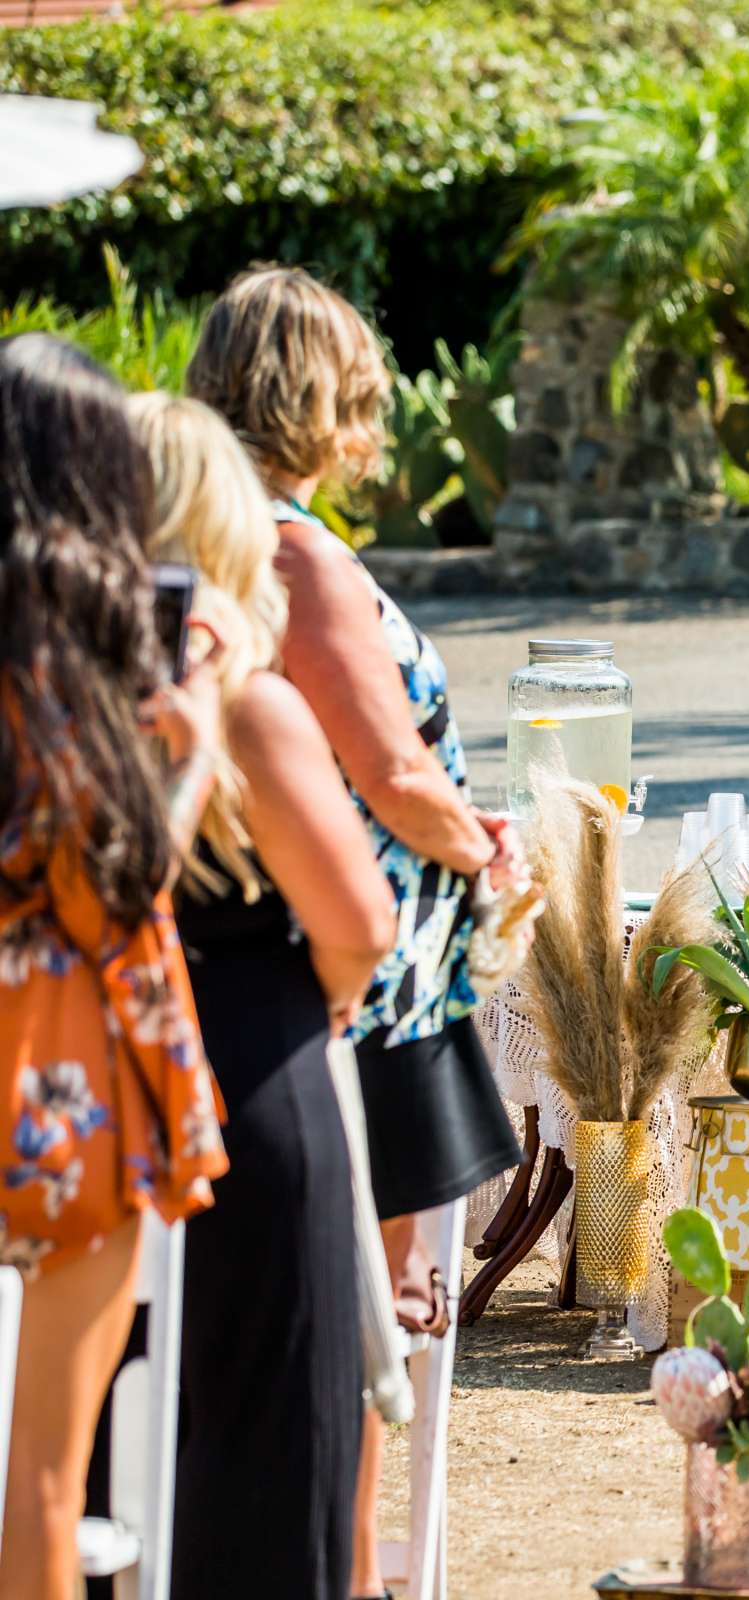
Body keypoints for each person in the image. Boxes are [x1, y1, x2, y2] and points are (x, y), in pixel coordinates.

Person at [183, 266, 524, 1600]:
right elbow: (386, 769)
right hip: (374, 985)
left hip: (335, 960)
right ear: (321, 399)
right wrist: (485, 841)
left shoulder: (210, 532)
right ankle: (358, 1575)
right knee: (367, 1332)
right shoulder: (293, 550)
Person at [129, 393, 398, 1600]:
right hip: (253, 1074)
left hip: (106, 1077)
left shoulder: (53, 694)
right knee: (271, 1452)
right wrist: (314, 1004)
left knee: (120, 1465)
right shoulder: (245, 701)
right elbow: (360, 927)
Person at [0, 335, 228, 1600]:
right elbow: (118, 884)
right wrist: (190, 753)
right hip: (63, 1090)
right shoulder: (76, 636)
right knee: (44, 1473)